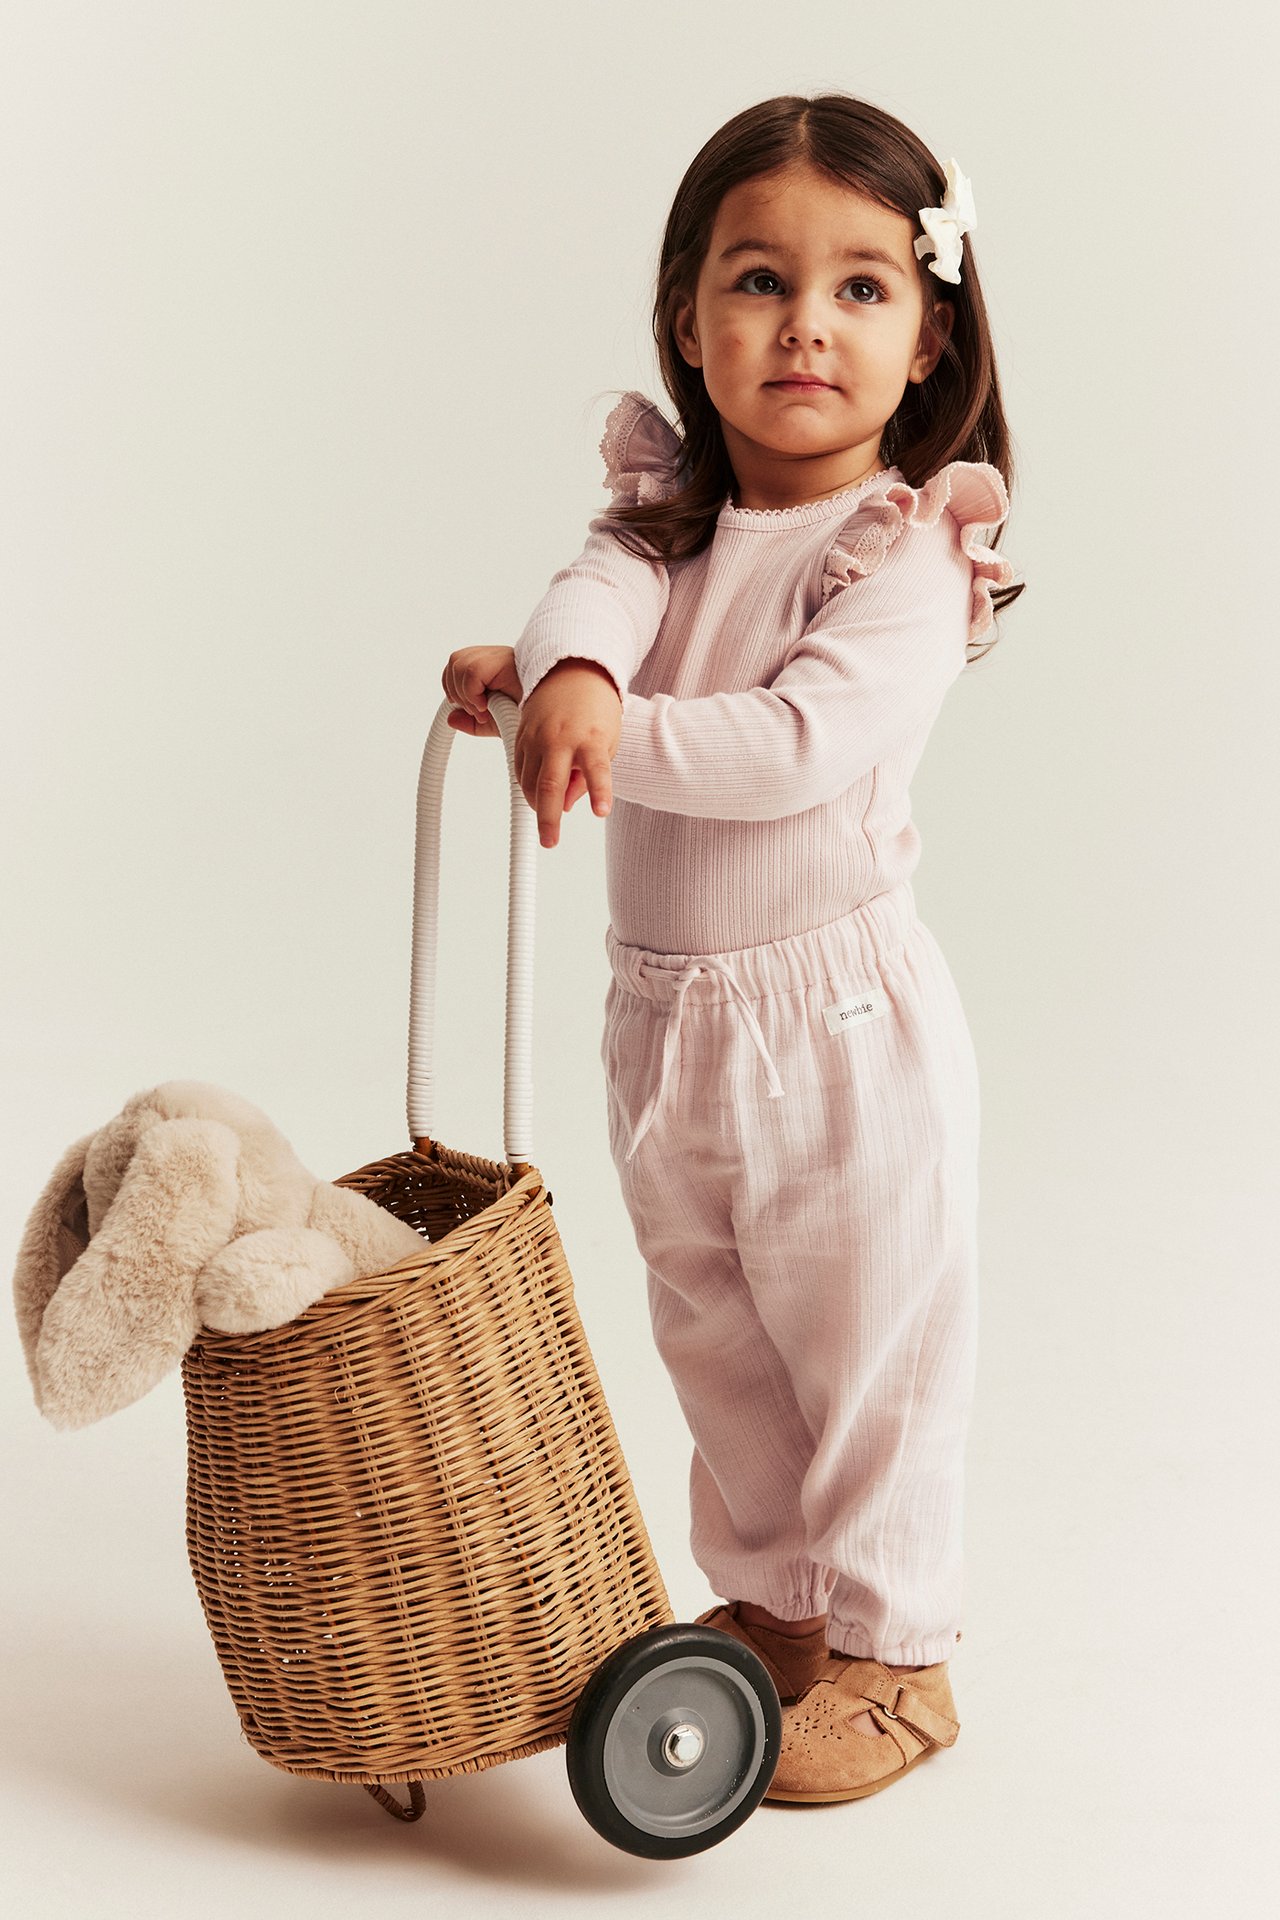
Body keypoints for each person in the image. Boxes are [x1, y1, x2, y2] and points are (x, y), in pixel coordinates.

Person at [442, 92, 1024, 1804]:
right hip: (670, 1027)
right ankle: (776, 1608)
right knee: (721, 1336)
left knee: (867, 1347)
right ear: (690, 324)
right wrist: (562, 676)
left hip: (839, 1029)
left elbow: (793, 748)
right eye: (759, 281)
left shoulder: (906, 551)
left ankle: (897, 1654)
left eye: (861, 289)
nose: (805, 326)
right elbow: (590, 608)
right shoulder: (659, 524)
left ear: (929, 340)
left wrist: (604, 733)